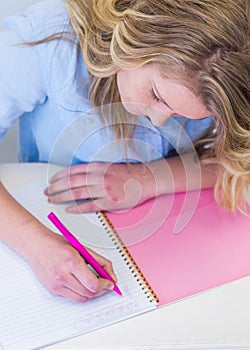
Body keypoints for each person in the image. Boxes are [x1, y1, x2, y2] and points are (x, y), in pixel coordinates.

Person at [0, 0, 249, 302]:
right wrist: (37, 246)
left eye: (187, 115)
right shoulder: (45, 41)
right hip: (52, 211)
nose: (158, 120)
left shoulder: (237, 56)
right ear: (139, 38)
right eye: (156, 95)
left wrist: (150, 179)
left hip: (172, 230)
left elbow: (242, 158)